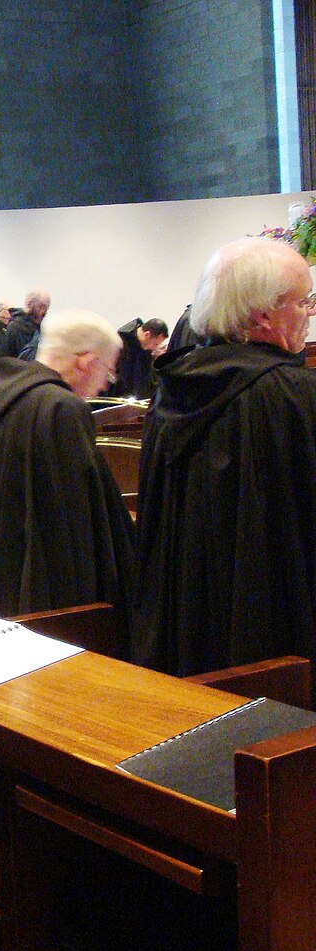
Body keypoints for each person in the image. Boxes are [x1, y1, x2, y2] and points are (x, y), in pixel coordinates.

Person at [133, 236, 316, 676]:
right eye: (303, 301)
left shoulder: (173, 390)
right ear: (262, 313)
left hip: (187, 623)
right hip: (282, 635)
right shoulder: (292, 397)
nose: (310, 313)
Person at [0, 310, 135, 620]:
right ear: (86, 361)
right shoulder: (60, 408)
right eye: (108, 372)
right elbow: (76, 523)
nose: (104, 385)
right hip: (36, 600)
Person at [108, 317, 169, 399]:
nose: (155, 348)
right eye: (156, 344)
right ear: (147, 334)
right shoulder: (120, 342)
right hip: (117, 398)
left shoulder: (146, 347)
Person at [0, 288, 50, 358]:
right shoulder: (15, 327)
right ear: (29, 304)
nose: (44, 312)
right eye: (41, 306)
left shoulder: (42, 329)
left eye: (46, 308)